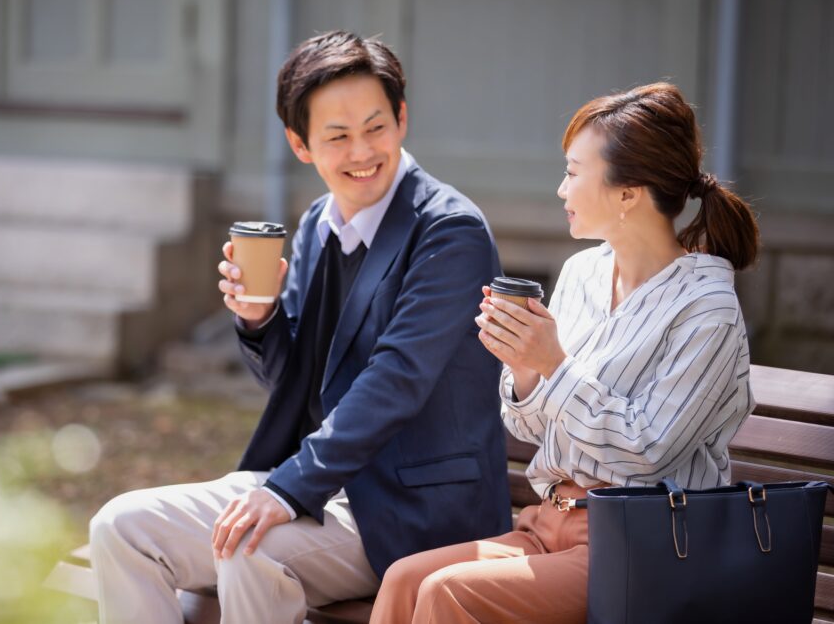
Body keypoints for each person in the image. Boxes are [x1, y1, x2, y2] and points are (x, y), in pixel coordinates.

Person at [88, 31, 513, 624]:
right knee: (121, 528)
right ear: (300, 143)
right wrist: (258, 320)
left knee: (247, 551)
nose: (361, 151)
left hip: (413, 510)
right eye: (337, 136)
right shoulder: (319, 222)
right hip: (322, 488)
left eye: (376, 127)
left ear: (402, 119)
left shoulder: (449, 232)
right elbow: (297, 381)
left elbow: (398, 378)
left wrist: (288, 489)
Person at [369, 81, 760, 624]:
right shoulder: (582, 274)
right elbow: (530, 427)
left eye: (574, 172)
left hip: (645, 549)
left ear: (628, 194)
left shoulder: (708, 309)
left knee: (448, 594)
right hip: (549, 522)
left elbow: (648, 452)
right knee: (405, 579)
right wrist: (524, 368)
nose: (561, 189)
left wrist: (554, 365)